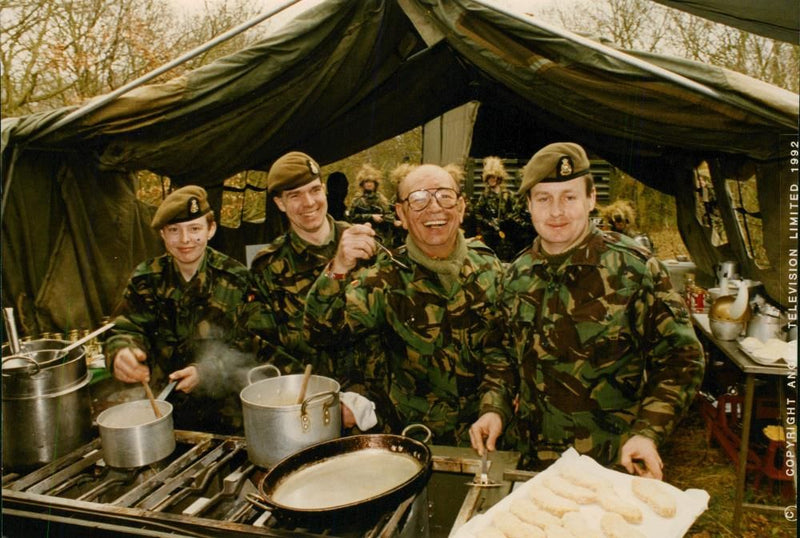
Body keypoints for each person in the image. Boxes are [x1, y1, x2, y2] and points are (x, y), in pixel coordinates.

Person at [471, 142, 704, 478]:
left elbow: (682, 359)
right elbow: (501, 355)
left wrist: (648, 432)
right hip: (532, 464)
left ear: (591, 199)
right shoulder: (515, 275)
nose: (556, 212)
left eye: (569, 196)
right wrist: (494, 407)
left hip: (612, 464)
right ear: (528, 206)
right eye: (544, 198)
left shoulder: (635, 269)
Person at [304, 164, 516, 445]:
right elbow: (322, 332)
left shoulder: (492, 270)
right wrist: (339, 268)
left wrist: (495, 409)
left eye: (444, 196)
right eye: (418, 199)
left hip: (487, 439)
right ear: (401, 214)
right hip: (412, 442)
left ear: (462, 207)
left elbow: (501, 352)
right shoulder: (385, 278)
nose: (434, 208)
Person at [104, 185, 255, 434]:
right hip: (162, 414)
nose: (185, 240)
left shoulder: (236, 277)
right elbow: (125, 327)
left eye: (195, 229)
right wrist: (122, 351)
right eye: (174, 230)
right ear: (163, 234)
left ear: (211, 230)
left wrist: (207, 371)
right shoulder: (146, 278)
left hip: (227, 419)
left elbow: (251, 344)